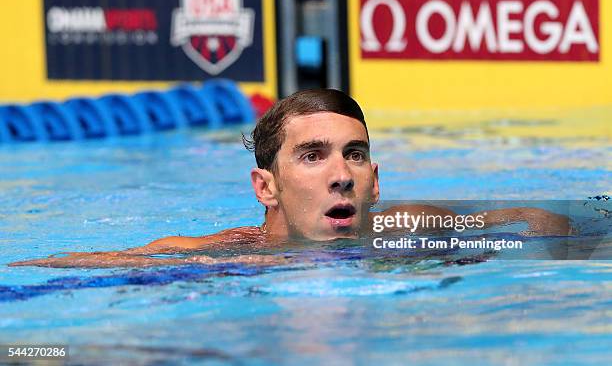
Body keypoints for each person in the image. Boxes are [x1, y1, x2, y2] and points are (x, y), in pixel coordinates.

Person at [9, 89, 571, 268]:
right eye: (312, 156)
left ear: (376, 180)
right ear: (266, 186)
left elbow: (540, 219)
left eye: (354, 156)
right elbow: (52, 270)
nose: (340, 176)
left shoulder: (409, 226)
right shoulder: (219, 255)